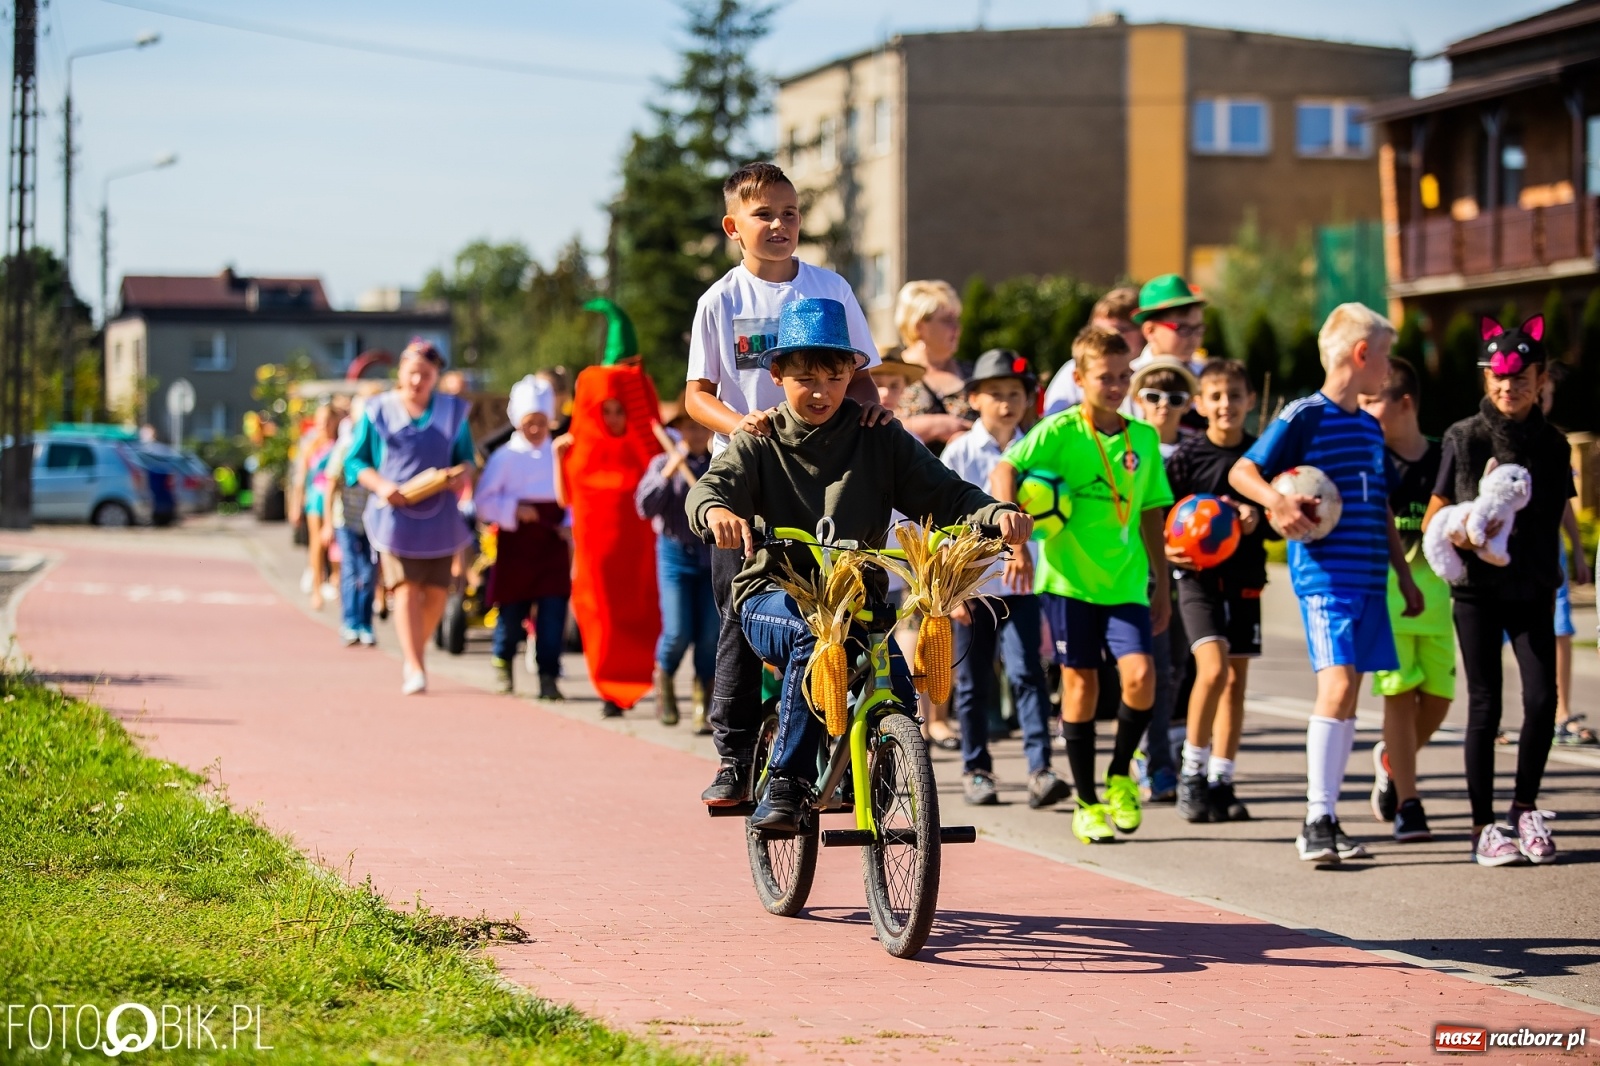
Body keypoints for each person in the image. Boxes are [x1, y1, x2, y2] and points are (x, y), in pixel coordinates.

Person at [687, 298, 1030, 830]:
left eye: (834, 377)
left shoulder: (878, 435)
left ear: (853, 374)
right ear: (777, 375)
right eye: (805, 378)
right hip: (773, 597)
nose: (820, 392)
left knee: (898, 688)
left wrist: (996, 514)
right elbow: (710, 488)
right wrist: (716, 513)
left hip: (859, 603)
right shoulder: (760, 438)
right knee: (814, 637)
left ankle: (884, 779)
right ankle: (787, 781)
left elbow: (946, 492)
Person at [683, 161, 890, 805]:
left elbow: (861, 379)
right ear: (733, 228)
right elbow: (696, 395)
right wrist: (740, 422)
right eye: (764, 215)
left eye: (790, 213)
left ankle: (856, 749)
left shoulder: (829, 288)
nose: (779, 225)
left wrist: (872, 414)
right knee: (739, 618)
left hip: (823, 475)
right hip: (748, 477)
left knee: (847, 610)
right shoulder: (721, 301)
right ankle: (734, 755)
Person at [1230, 303, 1422, 863]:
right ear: (1361, 354)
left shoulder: (1368, 428)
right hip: (1326, 579)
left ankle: (1329, 818)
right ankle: (1315, 819)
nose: (1388, 367)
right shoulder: (1304, 416)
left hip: (1371, 581)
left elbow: (1380, 507)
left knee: (1349, 698)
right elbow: (1244, 471)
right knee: (1335, 688)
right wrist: (1278, 501)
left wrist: (1404, 576)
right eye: (1385, 356)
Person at [992, 325, 1174, 846]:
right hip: (1069, 583)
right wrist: (1015, 538)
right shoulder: (1060, 430)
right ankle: (1087, 802)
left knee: (1141, 676)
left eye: (1122, 376)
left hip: (1126, 582)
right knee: (1081, 685)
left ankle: (1120, 775)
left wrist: (1161, 582)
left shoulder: (1144, 438)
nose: (1115, 386)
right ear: (1080, 379)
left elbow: (1151, 512)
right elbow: (1006, 468)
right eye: (1104, 377)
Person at [1423, 314, 1583, 865]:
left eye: (1519, 377)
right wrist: (1461, 532)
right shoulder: (1464, 436)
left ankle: (1524, 809)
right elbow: (1436, 515)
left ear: (1540, 380)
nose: (1507, 386)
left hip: (1534, 584)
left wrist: (1574, 553)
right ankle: (1482, 827)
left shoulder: (1555, 445)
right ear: (1486, 377)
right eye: (1498, 376)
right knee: (1485, 705)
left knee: (1541, 699)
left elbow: (1558, 507)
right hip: (1478, 590)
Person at [939, 349, 1070, 809]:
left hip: (1021, 588)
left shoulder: (1036, 448)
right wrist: (949, 588)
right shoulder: (960, 451)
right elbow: (940, 522)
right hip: (973, 588)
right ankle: (977, 769)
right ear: (974, 398)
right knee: (974, 681)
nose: (1006, 403)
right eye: (995, 393)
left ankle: (1041, 770)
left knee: (1028, 673)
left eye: (1015, 393)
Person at [1165, 359, 1270, 823]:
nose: (1226, 404)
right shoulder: (1187, 457)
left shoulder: (1261, 456)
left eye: (1235, 395)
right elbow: (1159, 516)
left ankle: (1222, 780)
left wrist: (1256, 518)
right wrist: (1167, 551)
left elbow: (1279, 517)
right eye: (1216, 396)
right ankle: (1191, 774)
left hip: (1245, 581)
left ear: (1250, 400)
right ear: (1200, 404)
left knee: (1235, 682)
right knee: (1211, 670)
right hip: (1197, 581)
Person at [1356, 358, 1454, 843]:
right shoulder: (1369, 461)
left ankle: (1393, 760)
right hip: (1389, 601)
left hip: (1438, 603)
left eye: (1373, 401)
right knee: (1397, 695)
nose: (1364, 410)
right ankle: (1409, 805)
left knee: (1438, 701)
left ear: (1405, 403)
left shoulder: (1445, 456)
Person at [346, 339, 478, 695]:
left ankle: (414, 650)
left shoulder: (452, 411)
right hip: (395, 516)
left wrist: (461, 474)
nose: (418, 381)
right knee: (404, 589)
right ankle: (416, 665)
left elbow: (467, 458)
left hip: (439, 516)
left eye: (426, 374)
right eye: (412, 373)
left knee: (436, 593)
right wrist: (381, 486)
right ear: (401, 373)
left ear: (436, 376)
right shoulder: (379, 410)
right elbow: (356, 461)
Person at [562, 300, 665, 718]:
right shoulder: (581, 454)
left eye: (621, 410)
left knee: (640, 608)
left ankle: (638, 676)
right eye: (606, 410)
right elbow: (566, 497)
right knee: (601, 609)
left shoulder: (649, 454)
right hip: (598, 553)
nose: (614, 418)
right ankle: (608, 685)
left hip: (637, 551)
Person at [1129, 356, 1199, 804]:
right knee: (1150, 669)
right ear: (1138, 399)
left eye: (1175, 398)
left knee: (1178, 668)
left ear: (1187, 404)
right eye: (1153, 396)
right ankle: (1154, 761)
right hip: (1143, 574)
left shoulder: (1193, 449)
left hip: (1189, 575)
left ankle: (1166, 752)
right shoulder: (1132, 448)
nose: (1163, 406)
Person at [476, 375, 570, 700]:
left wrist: (568, 523)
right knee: (511, 611)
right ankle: (502, 661)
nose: (535, 429)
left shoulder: (558, 453)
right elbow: (483, 502)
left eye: (541, 422)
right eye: (530, 422)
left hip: (552, 545)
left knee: (553, 614)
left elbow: (572, 497)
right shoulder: (505, 457)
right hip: (517, 545)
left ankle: (548, 675)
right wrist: (513, 509)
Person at [636, 398, 717, 730]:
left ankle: (703, 701)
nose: (695, 434)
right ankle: (665, 680)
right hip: (674, 554)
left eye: (700, 427)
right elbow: (644, 507)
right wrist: (670, 471)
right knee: (677, 631)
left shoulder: (716, 464)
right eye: (688, 428)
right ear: (679, 430)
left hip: (712, 555)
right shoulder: (662, 463)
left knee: (710, 634)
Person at [322, 398, 377, 646]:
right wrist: (327, 524)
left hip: (370, 521)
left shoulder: (378, 447)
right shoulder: (345, 447)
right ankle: (350, 622)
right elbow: (330, 485)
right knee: (351, 569)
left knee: (369, 571)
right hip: (345, 519)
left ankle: (365, 623)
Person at [1043, 287, 1143, 416]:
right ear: (1078, 378)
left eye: (1119, 331)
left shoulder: (1154, 367)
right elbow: (1053, 417)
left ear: (1143, 331)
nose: (1107, 340)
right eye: (1098, 332)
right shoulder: (1075, 369)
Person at [895, 280, 972, 446]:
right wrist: (932, 426)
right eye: (947, 320)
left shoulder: (972, 373)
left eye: (956, 319)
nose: (957, 327)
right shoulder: (890, 372)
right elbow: (871, 425)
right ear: (919, 327)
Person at [296, 402, 343, 610]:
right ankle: (317, 588)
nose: (324, 425)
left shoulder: (339, 445)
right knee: (317, 542)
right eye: (320, 421)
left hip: (336, 498)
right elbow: (301, 479)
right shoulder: (311, 446)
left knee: (337, 542)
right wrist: (296, 504)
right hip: (316, 498)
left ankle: (336, 580)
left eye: (327, 421)